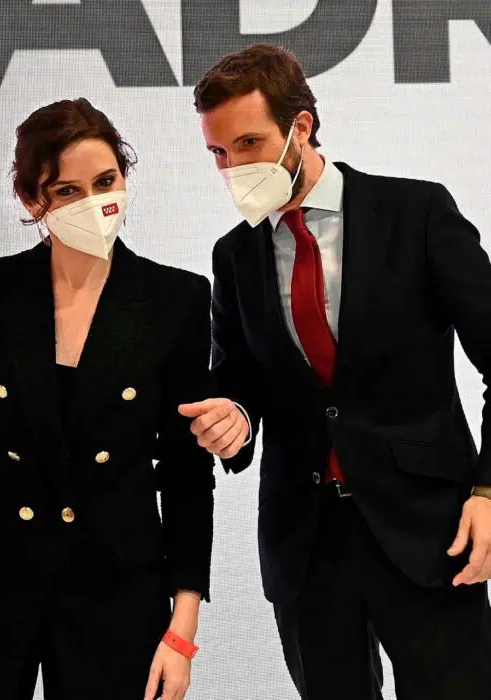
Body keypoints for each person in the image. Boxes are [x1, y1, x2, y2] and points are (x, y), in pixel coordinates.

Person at [180, 44, 491, 699]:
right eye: (218, 152)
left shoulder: (417, 213)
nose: (233, 167)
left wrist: (488, 494)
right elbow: (239, 376)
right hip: (306, 543)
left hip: (429, 531)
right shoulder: (234, 255)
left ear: (301, 126)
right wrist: (233, 415)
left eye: (249, 143)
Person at [0, 98, 215, 700]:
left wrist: (182, 629)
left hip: (115, 589)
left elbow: (186, 472)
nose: (93, 203)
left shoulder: (178, 300)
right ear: (32, 200)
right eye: (67, 191)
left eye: (106, 181)